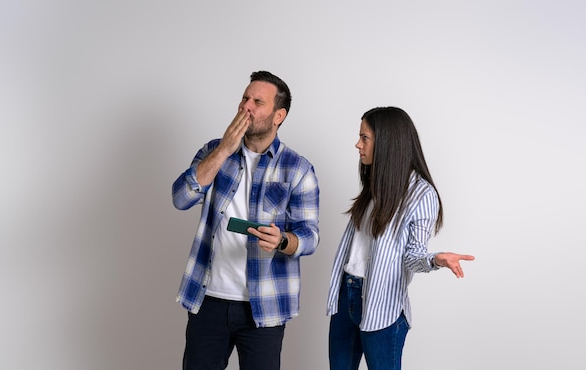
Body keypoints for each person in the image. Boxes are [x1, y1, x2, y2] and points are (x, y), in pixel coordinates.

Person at [172, 71, 320, 370]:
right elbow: (181, 198)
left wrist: (283, 241)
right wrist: (225, 148)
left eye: (257, 101)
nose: (246, 107)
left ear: (279, 115)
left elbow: (310, 236)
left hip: (265, 305)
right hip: (208, 299)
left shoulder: (298, 168)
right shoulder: (213, 151)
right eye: (244, 98)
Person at [325, 106, 475, 370]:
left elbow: (413, 257)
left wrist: (435, 260)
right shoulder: (375, 184)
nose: (357, 144)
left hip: (383, 306)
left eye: (364, 138)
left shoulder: (421, 194)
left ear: (387, 143)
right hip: (345, 297)